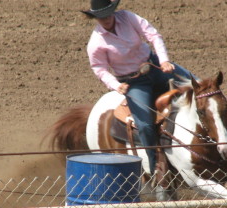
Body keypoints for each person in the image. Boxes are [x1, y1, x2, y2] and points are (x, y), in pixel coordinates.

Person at [82, 0, 194, 174]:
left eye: (107, 14)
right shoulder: (96, 42)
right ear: (95, 18)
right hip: (134, 82)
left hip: (155, 66)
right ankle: (157, 168)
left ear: (113, 11)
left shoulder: (127, 17)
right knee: (144, 125)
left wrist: (164, 60)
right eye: (100, 17)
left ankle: (226, 133)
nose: (105, 19)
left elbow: (153, 35)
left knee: (199, 85)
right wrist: (115, 85)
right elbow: (99, 68)